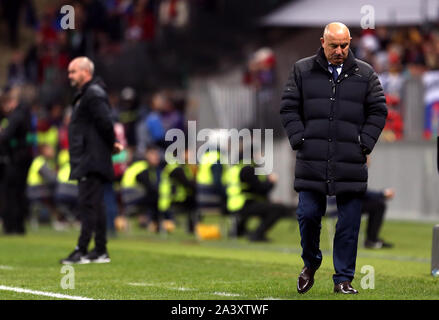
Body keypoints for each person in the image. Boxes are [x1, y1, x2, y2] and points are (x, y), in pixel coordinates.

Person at [280, 22, 388, 294]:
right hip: (311, 159)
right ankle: (311, 263)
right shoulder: (301, 70)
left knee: (349, 223)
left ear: (350, 42)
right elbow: (288, 108)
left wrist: (364, 144)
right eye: (334, 45)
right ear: (322, 42)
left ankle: (343, 279)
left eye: (344, 45)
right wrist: (299, 139)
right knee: (307, 215)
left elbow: (379, 110)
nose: (340, 50)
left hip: (351, 159)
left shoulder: (365, 73)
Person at [60, 57, 123, 265]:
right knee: (96, 204)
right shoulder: (87, 94)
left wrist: (111, 142)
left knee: (88, 204)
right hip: (91, 156)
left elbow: (105, 122)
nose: (70, 76)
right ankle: (100, 250)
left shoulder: (92, 94)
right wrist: (110, 144)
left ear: (86, 72)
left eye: (73, 72)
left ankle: (82, 249)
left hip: (90, 157)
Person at [225, 153, 292, 242]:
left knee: (268, 207)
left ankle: (239, 230)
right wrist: (271, 182)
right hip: (243, 204)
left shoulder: (235, 168)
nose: (260, 157)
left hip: (233, 204)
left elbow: (249, 189)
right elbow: (259, 189)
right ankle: (257, 235)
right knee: (278, 209)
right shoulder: (248, 169)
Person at [0, 87, 33, 235]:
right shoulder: (25, 114)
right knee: (19, 193)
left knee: (11, 193)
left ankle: (12, 226)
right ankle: (18, 226)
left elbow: (6, 136)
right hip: (22, 158)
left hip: (16, 160)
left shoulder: (17, 115)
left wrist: (2, 132)